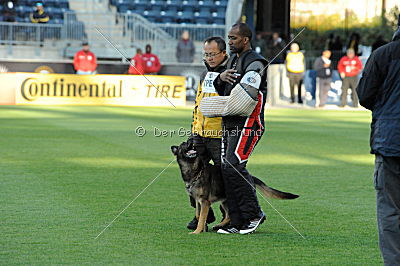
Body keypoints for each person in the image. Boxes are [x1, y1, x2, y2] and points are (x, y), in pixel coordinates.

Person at [202, 23, 267, 234]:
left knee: (234, 165)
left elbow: (249, 92)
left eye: (233, 38)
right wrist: (220, 78)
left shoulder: (255, 61)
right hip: (229, 122)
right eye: (228, 38)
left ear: (245, 40)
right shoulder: (234, 61)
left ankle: (253, 214)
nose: (229, 42)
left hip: (249, 123)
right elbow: (224, 91)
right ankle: (236, 220)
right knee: (226, 167)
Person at [356, 18, 400, 265]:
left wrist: (385, 109)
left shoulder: (383, 54)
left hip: (390, 138)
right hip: (390, 136)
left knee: (390, 209)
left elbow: (365, 95)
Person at [187, 36, 229, 231]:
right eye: (206, 54)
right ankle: (202, 215)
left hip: (218, 135)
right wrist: (194, 129)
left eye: (213, 54)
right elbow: (198, 104)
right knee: (191, 174)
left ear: (223, 54)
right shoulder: (205, 75)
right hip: (200, 133)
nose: (210, 58)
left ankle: (234, 215)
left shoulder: (229, 74)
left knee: (226, 177)